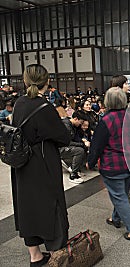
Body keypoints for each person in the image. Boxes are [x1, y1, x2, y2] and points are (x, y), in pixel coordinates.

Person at [11, 64, 70, 266]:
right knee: (51, 203)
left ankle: (35, 256)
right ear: (48, 82)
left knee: (26, 205)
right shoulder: (44, 108)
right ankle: (56, 254)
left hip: (21, 162)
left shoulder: (19, 103)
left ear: (25, 81)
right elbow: (63, 137)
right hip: (43, 160)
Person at [87, 87, 130, 241]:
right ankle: (115, 218)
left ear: (108, 101)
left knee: (119, 197)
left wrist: (90, 162)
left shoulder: (106, 121)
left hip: (113, 165)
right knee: (122, 194)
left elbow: (96, 145)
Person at [60, 111, 87, 184]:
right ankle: (73, 175)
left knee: (82, 148)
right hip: (59, 148)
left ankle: (75, 169)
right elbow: (67, 142)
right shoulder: (66, 125)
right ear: (75, 119)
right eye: (80, 122)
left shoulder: (72, 126)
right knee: (79, 151)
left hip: (65, 146)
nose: (80, 125)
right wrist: (82, 144)